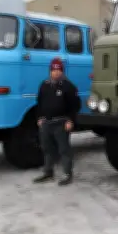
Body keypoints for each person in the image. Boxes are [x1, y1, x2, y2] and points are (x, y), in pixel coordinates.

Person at [33, 57, 81, 186]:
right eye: (54, 70)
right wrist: (39, 118)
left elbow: (75, 106)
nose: (56, 72)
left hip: (61, 123)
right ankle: (48, 172)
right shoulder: (44, 85)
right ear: (50, 71)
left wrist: (70, 120)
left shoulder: (68, 86)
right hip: (46, 123)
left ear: (62, 71)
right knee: (47, 148)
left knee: (63, 149)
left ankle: (67, 174)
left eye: (58, 70)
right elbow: (39, 103)